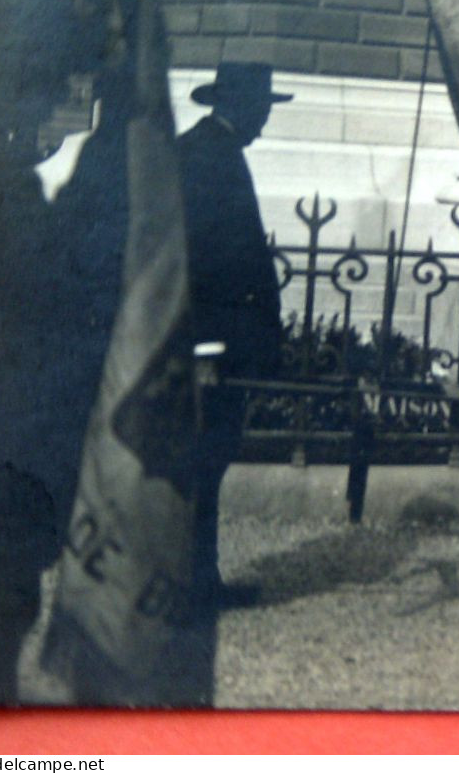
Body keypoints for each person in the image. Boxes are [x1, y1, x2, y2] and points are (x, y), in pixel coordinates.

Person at [178, 61, 291, 607]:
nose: (265, 123)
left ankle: (200, 581)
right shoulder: (204, 157)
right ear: (242, 106)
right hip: (207, 345)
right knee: (199, 461)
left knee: (207, 461)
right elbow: (193, 258)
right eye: (264, 111)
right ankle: (187, 588)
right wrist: (203, 348)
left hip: (216, 342)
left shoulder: (213, 150)